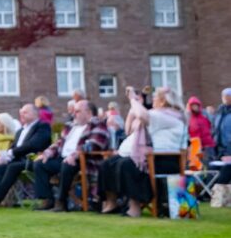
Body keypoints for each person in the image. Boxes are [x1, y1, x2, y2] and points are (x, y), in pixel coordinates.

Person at [98, 86, 185, 217]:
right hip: (147, 157)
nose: (153, 101)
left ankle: (134, 207)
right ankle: (112, 203)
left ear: (163, 101)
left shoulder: (171, 116)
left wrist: (134, 100)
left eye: (155, 98)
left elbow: (142, 115)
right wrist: (134, 107)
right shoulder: (156, 116)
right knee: (107, 164)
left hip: (165, 159)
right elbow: (129, 130)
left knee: (127, 165)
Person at [32, 101, 109, 212]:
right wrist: (47, 153)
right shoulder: (70, 126)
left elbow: (94, 144)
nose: (73, 114)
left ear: (88, 112)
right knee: (40, 163)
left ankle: (61, 202)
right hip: (63, 158)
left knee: (66, 164)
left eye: (77, 111)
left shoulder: (97, 124)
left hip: (84, 161)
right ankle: (48, 200)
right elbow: (59, 143)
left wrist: (75, 155)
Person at [0, 104, 51, 209]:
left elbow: (33, 145)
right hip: (17, 160)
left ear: (35, 114)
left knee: (12, 167)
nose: (21, 114)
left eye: (25, 112)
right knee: (1, 165)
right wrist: (6, 156)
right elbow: (14, 148)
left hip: (34, 160)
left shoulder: (42, 126)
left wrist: (12, 153)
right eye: (21, 112)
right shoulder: (20, 131)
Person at [187, 96, 215, 162]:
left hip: (207, 144)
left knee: (208, 163)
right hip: (195, 145)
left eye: (196, 105)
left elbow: (213, 127)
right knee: (196, 165)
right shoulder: (188, 118)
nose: (195, 107)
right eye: (192, 106)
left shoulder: (206, 115)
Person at [214, 89, 231, 158]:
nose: (225, 98)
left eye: (227, 96)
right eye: (223, 96)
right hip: (219, 147)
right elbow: (214, 127)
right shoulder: (220, 110)